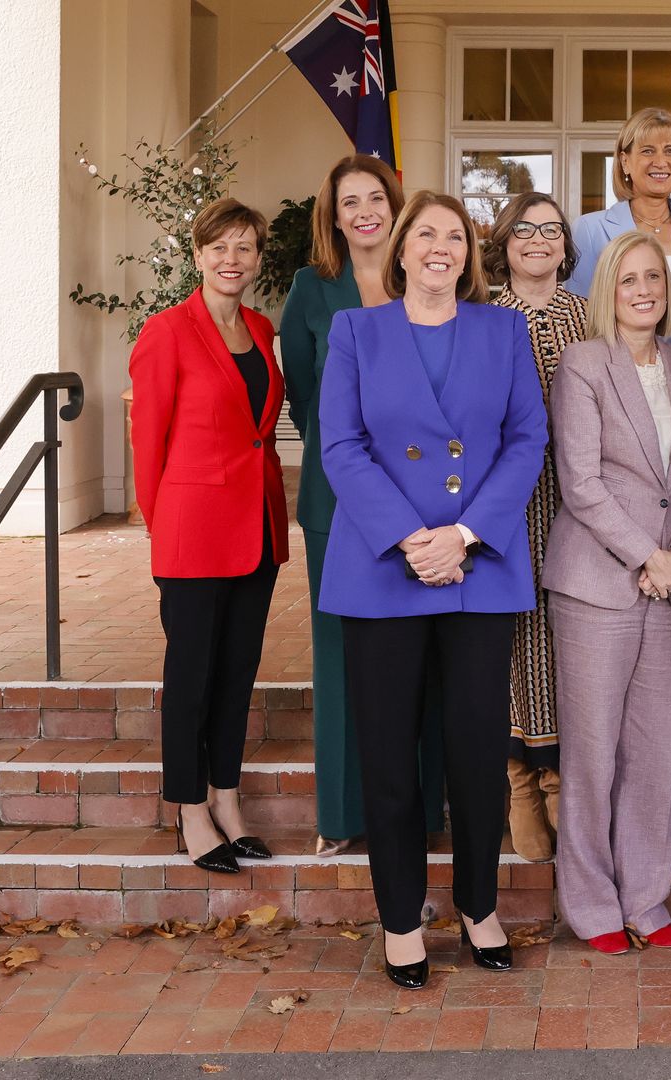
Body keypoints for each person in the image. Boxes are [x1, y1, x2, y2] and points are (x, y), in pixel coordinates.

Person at [318, 191, 547, 989]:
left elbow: (528, 439)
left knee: (477, 754)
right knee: (389, 756)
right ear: (402, 250)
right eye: (427, 235)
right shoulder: (355, 330)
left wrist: (464, 535)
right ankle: (400, 918)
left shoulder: (504, 329)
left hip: (478, 570)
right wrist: (413, 539)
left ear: (469, 254)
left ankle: (479, 906)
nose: (441, 247)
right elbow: (340, 445)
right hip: (385, 570)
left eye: (456, 236)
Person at [281, 155, 445, 857]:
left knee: (426, 655)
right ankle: (345, 813)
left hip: (429, 505)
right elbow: (302, 396)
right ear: (334, 214)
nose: (364, 212)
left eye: (375, 198)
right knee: (344, 657)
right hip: (341, 501)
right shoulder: (311, 292)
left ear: (395, 205)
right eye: (350, 202)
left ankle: (424, 806)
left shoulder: (427, 280)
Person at [544, 232, 671, 956]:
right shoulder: (583, 364)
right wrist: (648, 555)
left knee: (654, 752)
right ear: (608, 289)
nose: (644, 289)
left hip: (668, 585)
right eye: (629, 278)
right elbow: (580, 482)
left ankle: (646, 895)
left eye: (654, 278)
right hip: (597, 584)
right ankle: (591, 903)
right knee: (593, 752)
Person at [130, 197, 288, 876]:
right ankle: (189, 808)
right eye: (219, 247)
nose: (232, 259)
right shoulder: (166, 332)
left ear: (256, 259)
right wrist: (165, 534)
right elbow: (147, 450)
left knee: (237, 672)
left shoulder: (261, 327)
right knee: (191, 676)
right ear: (197, 255)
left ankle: (227, 797)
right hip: (193, 533)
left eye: (245, 248)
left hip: (256, 527)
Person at [484, 192, 590, 864]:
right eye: (524, 229)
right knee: (511, 636)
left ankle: (561, 775)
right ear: (504, 240)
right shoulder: (482, 318)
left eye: (550, 231)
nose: (538, 240)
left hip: (578, 504)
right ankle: (518, 778)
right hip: (504, 502)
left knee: (565, 633)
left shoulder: (589, 315)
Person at [568, 108, 671, 351]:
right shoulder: (589, 229)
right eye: (648, 151)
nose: (660, 162)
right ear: (625, 161)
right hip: (612, 374)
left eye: (670, 151)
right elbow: (581, 318)